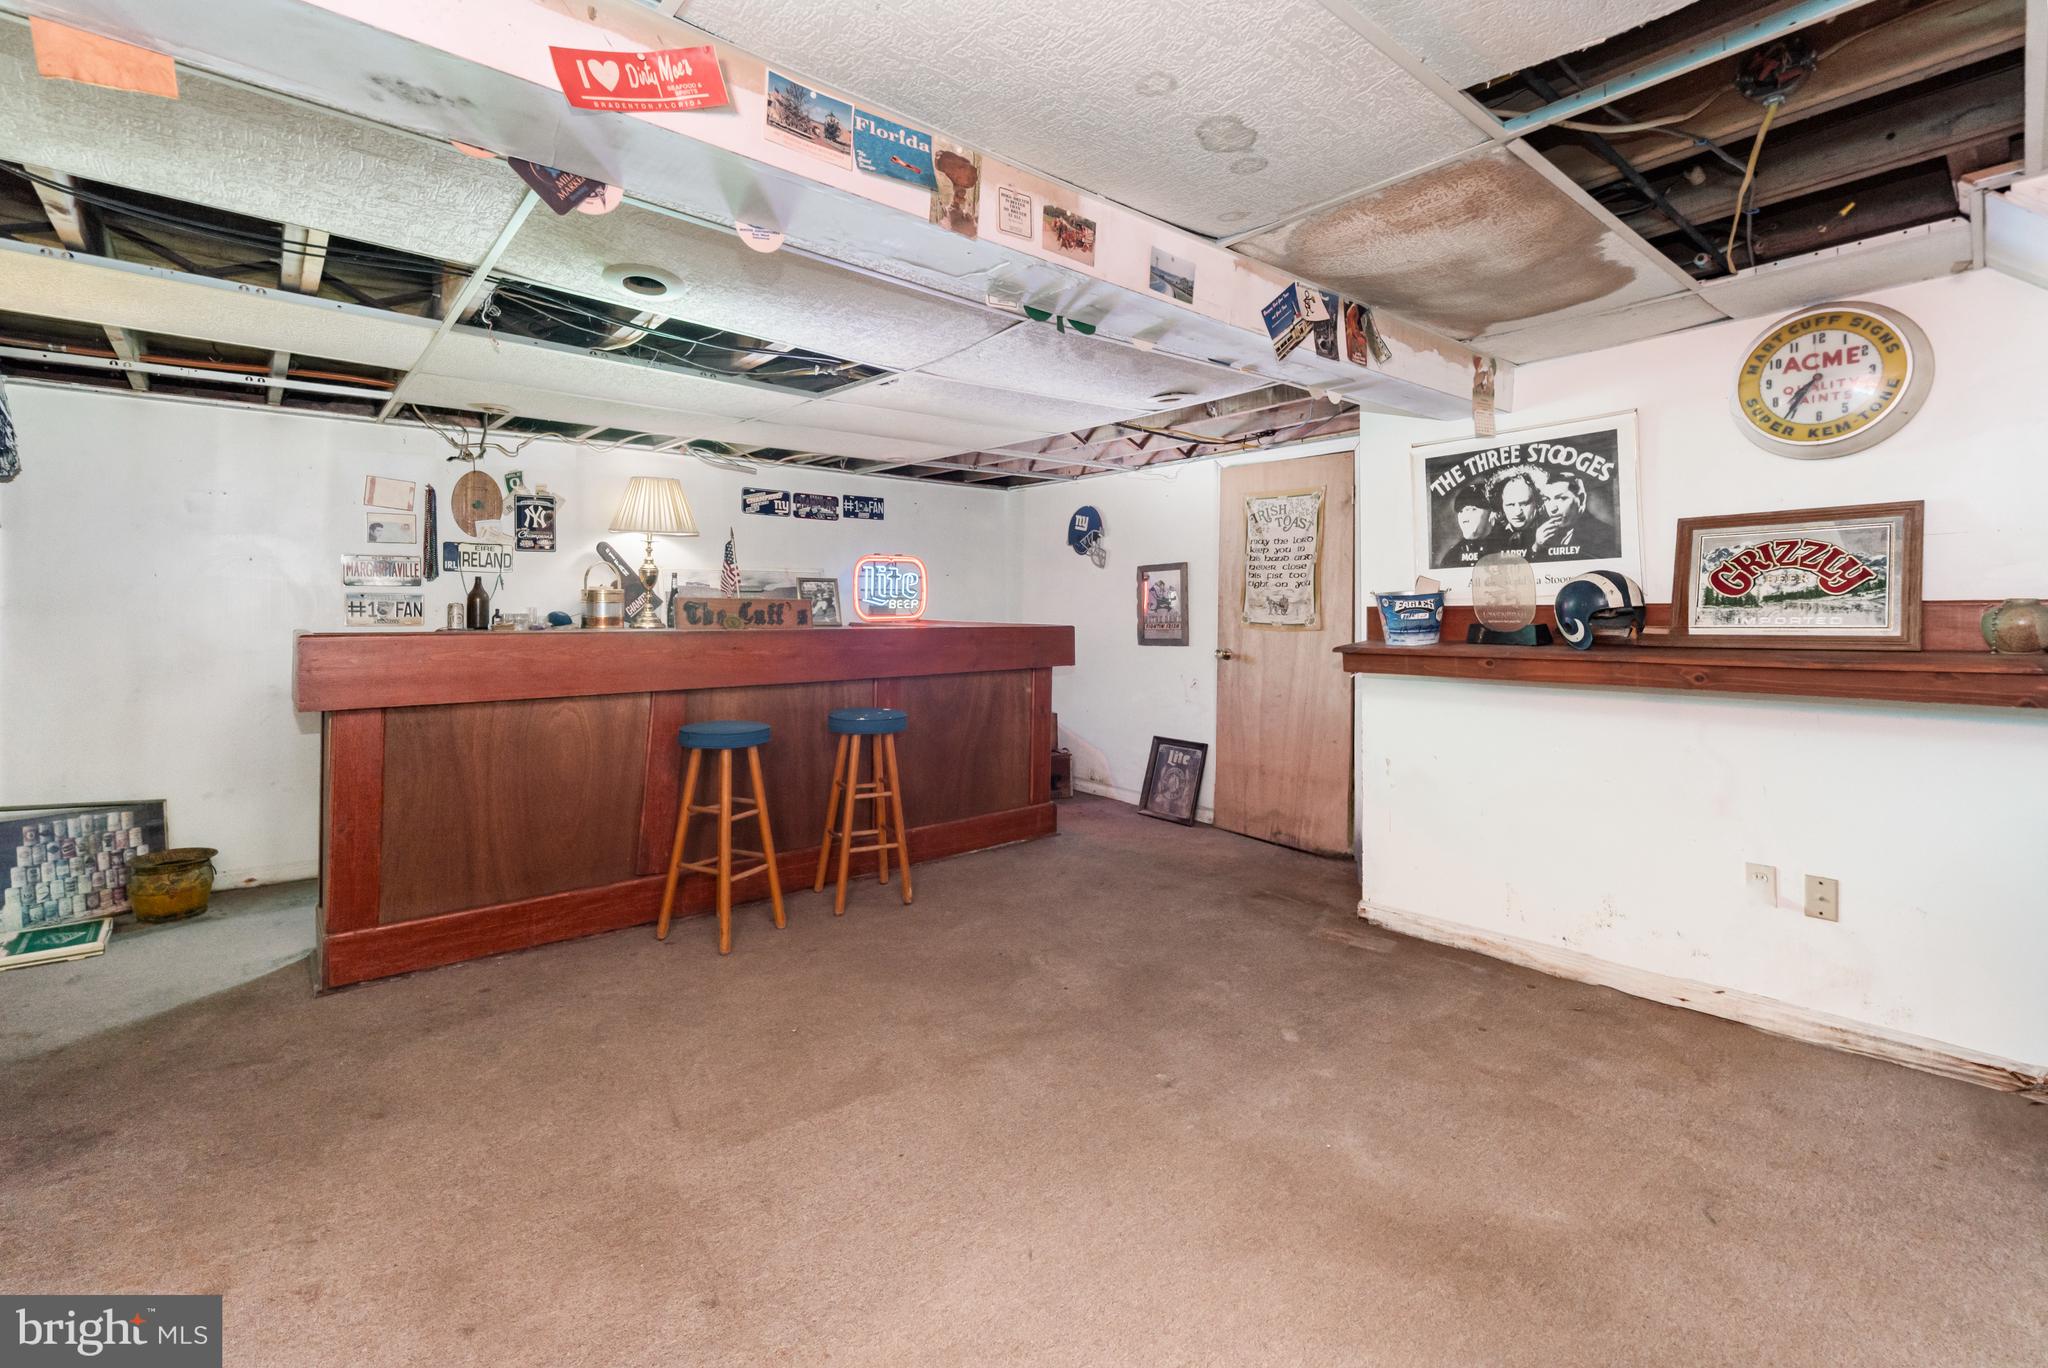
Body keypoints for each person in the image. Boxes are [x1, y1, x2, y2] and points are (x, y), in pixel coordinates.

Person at [1529, 474, 1615, 560]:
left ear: (1581, 499)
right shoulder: (1541, 535)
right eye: (1547, 499)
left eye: (1562, 498)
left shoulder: (1603, 534)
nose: (1552, 508)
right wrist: (1536, 547)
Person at [1442, 488, 1500, 566]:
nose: (1465, 518)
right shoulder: (1452, 556)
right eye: (1461, 511)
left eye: (1473, 509)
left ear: (1493, 514)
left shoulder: (1509, 547)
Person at [1492, 472, 1542, 554]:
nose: (1517, 512)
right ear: (1501, 506)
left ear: (1537, 503)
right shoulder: (1493, 537)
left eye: (1524, 504)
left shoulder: (1552, 534)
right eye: (1510, 505)